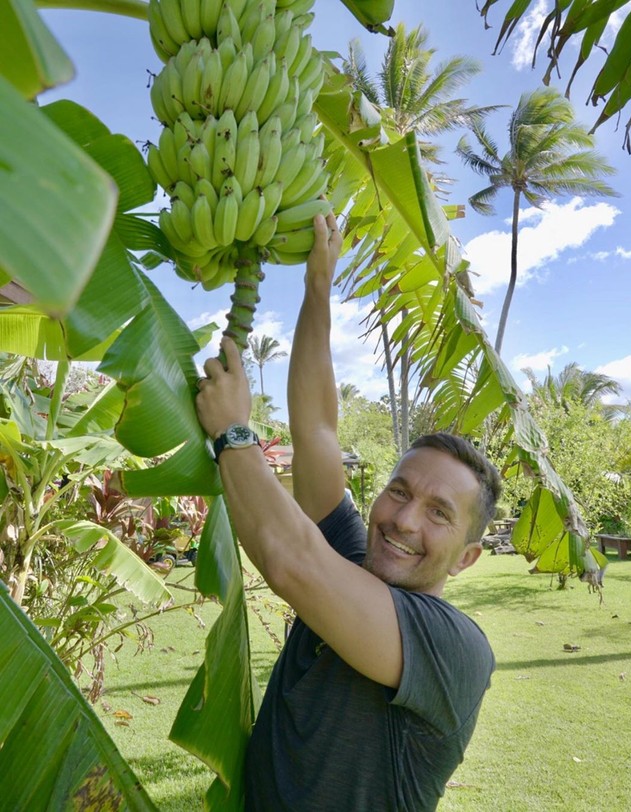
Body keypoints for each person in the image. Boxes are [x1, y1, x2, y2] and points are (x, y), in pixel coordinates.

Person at [195, 211, 502, 811]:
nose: (405, 520)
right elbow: (315, 430)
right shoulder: (353, 557)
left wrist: (234, 433)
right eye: (400, 491)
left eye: (439, 513)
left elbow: (292, 564)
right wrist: (318, 286)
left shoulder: (455, 650)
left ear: (467, 558)